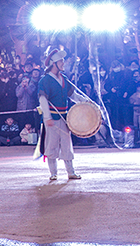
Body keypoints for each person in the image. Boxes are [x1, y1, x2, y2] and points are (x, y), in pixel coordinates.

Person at [37, 46, 84, 182]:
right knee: (51, 145)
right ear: (54, 63)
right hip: (52, 117)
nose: (64, 63)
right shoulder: (44, 81)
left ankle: (71, 172)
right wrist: (47, 117)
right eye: (61, 61)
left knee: (66, 145)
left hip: (64, 117)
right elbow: (42, 100)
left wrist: (85, 101)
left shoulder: (64, 79)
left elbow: (72, 95)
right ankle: (53, 173)